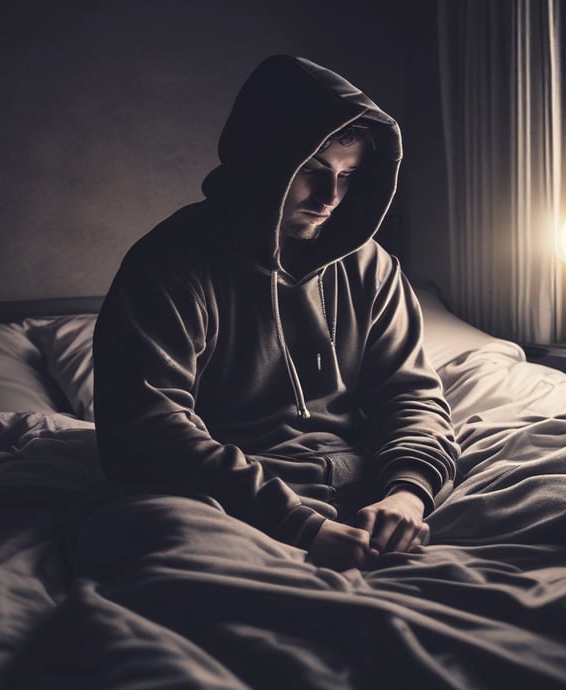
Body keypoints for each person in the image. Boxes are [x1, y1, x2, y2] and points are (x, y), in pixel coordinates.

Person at [93, 55, 459, 572]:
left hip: (367, 489)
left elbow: (411, 395)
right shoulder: (169, 264)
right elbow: (149, 430)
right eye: (312, 171)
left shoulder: (370, 265)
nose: (331, 197)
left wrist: (408, 494)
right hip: (230, 500)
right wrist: (300, 526)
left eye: (348, 176)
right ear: (262, 162)